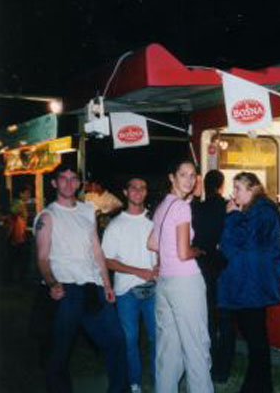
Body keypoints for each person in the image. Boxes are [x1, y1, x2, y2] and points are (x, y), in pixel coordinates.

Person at [33, 163, 127, 393]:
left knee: (116, 340)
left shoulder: (87, 211)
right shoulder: (47, 216)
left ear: (79, 184)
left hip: (92, 287)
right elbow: (42, 258)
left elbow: (96, 250)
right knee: (59, 352)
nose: (68, 183)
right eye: (63, 178)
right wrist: (53, 283)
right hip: (66, 290)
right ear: (54, 183)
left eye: (73, 178)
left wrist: (107, 284)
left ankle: (119, 389)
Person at [147, 159, 213, 393]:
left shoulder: (163, 205)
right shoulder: (182, 207)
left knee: (168, 350)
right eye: (183, 174)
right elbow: (184, 253)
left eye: (192, 175)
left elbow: (152, 243)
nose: (189, 180)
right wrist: (199, 250)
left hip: (165, 282)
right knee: (196, 347)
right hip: (186, 282)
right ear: (172, 177)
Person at [219, 172, 280, 393]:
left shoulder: (262, 211)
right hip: (250, 282)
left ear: (253, 188)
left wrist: (231, 216)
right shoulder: (256, 210)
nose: (234, 193)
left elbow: (234, 244)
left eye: (238, 188)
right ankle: (258, 385)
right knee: (254, 336)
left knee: (255, 337)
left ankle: (258, 386)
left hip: (253, 283)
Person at [102, 177, 158, 393]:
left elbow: (164, 249)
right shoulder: (116, 225)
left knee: (157, 338)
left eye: (142, 188)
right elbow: (107, 260)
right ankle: (134, 383)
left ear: (146, 192)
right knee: (129, 340)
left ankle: (159, 380)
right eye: (133, 188)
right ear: (125, 192)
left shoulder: (154, 220)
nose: (138, 191)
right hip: (126, 292)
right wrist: (138, 271)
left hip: (154, 289)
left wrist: (160, 265)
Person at [191, 170, 229, 382]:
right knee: (224, 317)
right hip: (223, 267)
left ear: (205, 185)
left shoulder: (197, 208)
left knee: (207, 316)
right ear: (221, 186)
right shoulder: (227, 207)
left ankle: (210, 360)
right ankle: (222, 368)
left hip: (202, 266)